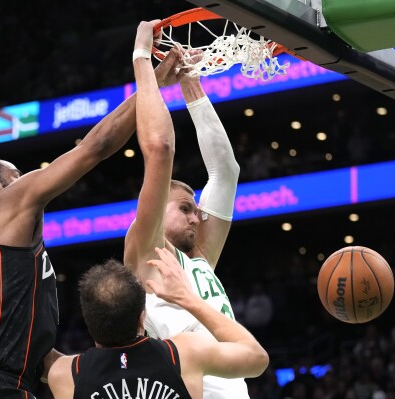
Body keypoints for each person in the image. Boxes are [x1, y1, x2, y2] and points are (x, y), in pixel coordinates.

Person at [0, 47, 183, 399]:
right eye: (17, 175)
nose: (26, 181)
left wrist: (105, 368)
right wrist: (151, 82)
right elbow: (94, 147)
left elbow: (28, 353)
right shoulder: (6, 207)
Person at [124, 19, 246, 399]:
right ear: (159, 211)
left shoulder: (200, 259)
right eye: (186, 208)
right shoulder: (145, 253)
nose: (197, 217)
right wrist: (142, 58)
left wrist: (192, 86)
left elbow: (225, 172)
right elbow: (158, 148)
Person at [47, 247, 269, 399]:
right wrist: (188, 299)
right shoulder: (185, 353)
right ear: (142, 317)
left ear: (89, 322)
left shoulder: (65, 374)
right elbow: (257, 358)